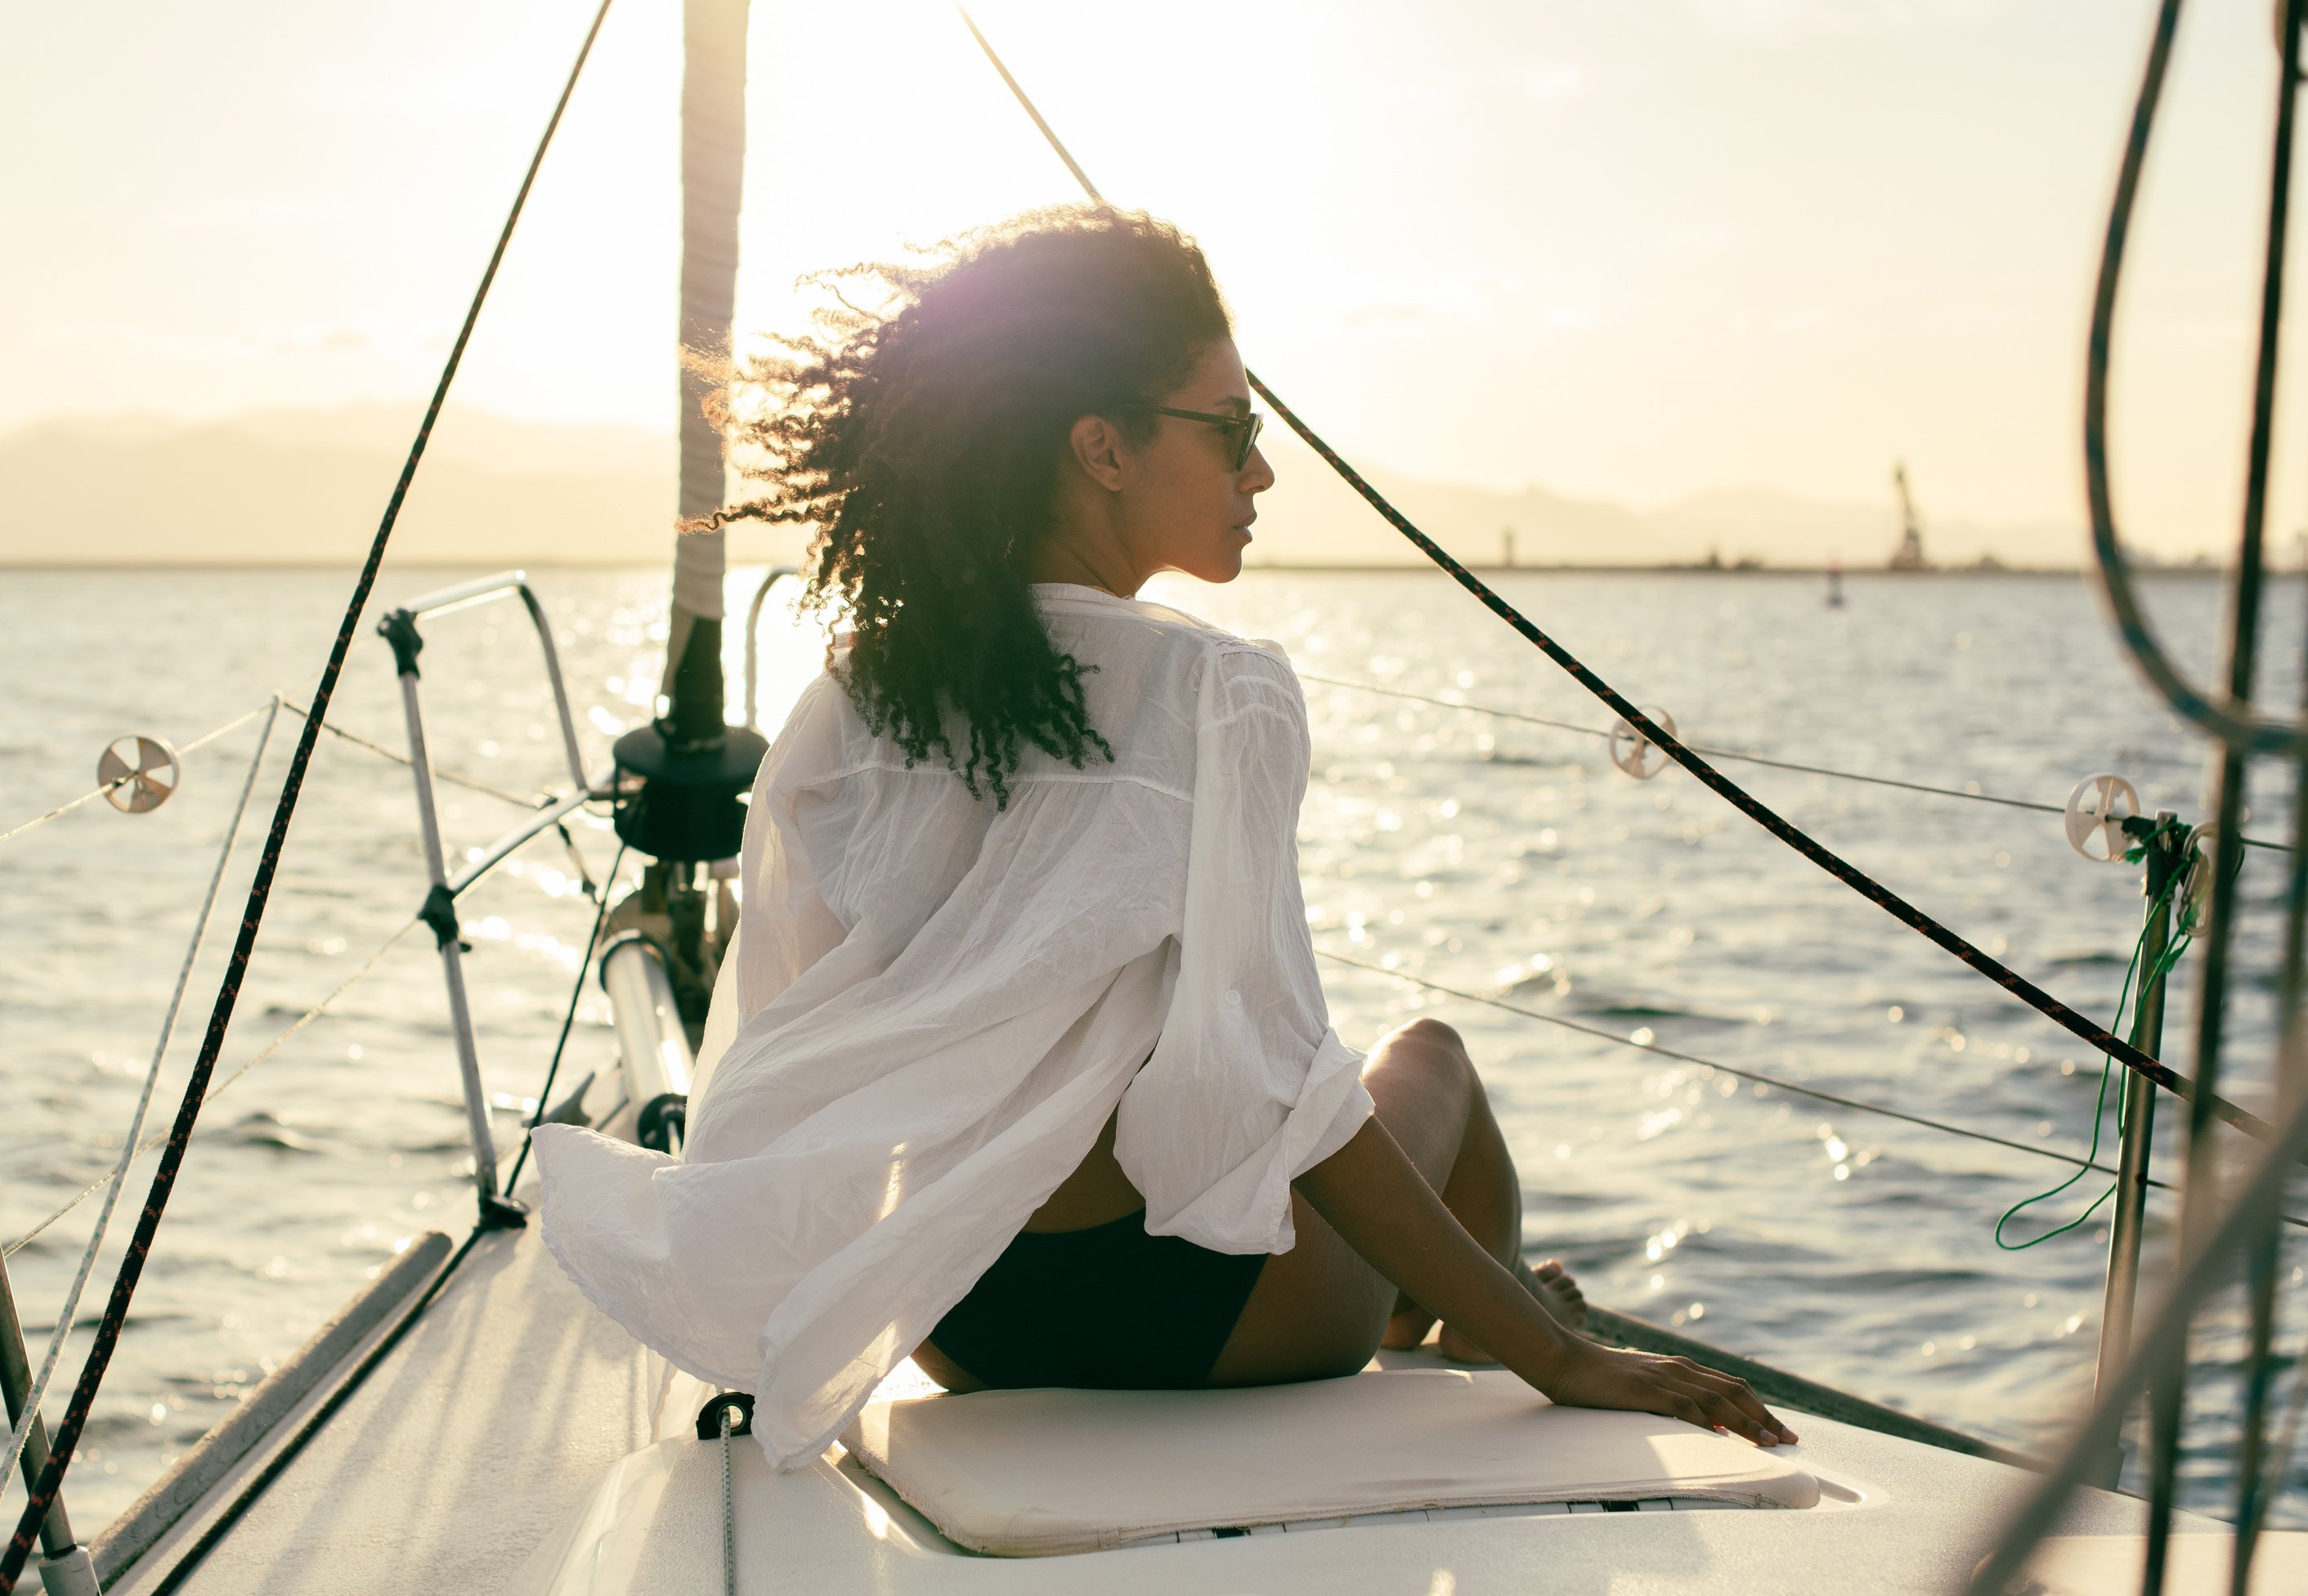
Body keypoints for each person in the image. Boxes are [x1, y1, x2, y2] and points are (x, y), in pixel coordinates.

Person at [535, 204, 1792, 1468]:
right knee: (1436, 1061)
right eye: (1234, 432)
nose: (1261, 473)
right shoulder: (1213, 691)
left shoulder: (852, 696)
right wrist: (1559, 1359)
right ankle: (1482, 1325)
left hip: (957, 1312)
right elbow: (1289, 1093)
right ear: (1103, 448)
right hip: (1203, 1328)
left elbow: (786, 1015)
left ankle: (1446, 1308)